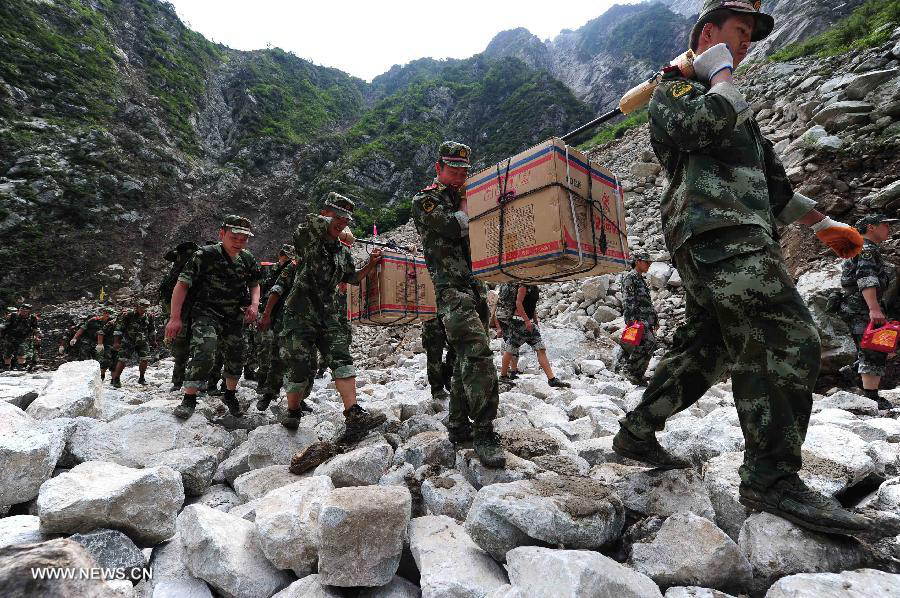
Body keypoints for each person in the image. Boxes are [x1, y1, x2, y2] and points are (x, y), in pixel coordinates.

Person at [612, 0, 869, 536]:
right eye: (739, 32)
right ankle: (772, 479)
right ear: (709, 34)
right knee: (786, 335)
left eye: (751, 35)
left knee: (708, 347)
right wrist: (719, 71)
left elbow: (773, 182)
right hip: (715, 232)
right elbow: (701, 127)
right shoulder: (676, 91)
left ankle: (638, 431)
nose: (747, 43)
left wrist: (821, 224)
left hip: (733, 234)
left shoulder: (738, 106)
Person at [411, 141, 505, 467]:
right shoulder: (425, 200)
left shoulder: (465, 197)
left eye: (464, 171)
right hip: (451, 289)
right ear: (438, 168)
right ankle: (484, 429)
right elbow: (453, 226)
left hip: (475, 286)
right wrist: (468, 202)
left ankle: (457, 423)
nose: (459, 176)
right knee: (477, 351)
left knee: (463, 356)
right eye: (453, 170)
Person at [277, 193, 384, 439]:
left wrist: (371, 263)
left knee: (341, 357)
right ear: (325, 214)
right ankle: (293, 410)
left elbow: (352, 278)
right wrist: (331, 225)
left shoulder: (341, 251)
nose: (342, 223)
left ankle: (354, 413)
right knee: (300, 366)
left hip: (330, 313)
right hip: (300, 313)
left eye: (346, 219)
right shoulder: (307, 238)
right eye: (337, 217)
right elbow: (309, 224)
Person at [166, 215, 261, 419]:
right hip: (206, 312)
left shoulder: (247, 259)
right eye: (234, 237)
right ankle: (189, 398)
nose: (238, 243)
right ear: (222, 234)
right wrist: (175, 318)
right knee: (205, 350)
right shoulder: (205, 255)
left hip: (234, 315)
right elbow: (182, 285)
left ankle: (230, 394)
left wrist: (254, 305)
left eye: (243, 239)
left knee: (237, 354)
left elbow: (255, 284)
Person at [840, 213, 898, 411]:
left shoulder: (861, 247)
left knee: (869, 345)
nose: (888, 229)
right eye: (884, 225)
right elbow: (866, 278)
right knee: (874, 348)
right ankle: (871, 398)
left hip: (857, 306)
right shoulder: (866, 249)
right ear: (871, 227)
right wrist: (874, 308)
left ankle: (854, 372)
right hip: (862, 307)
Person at [495, 283, 570, 388]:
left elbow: (532, 306)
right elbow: (518, 303)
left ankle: (552, 379)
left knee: (540, 349)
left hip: (529, 324)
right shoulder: (523, 286)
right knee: (510, 349)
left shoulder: (534, 288)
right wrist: (527, 321)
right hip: (518, 323)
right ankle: (503, 376)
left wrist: (535, 321)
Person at [256, 244, 295, 401]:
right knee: (266, 348)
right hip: (268, 312)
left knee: (283, 353)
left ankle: (277, 388)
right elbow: (262, 290)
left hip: (285, 316)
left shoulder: (293, 269)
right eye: (286, 256)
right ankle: (263, 383)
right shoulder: (269, 271)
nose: (288, 259)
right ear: (281, 255)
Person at [161, 241, 199, 390]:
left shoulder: (187, 269)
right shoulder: (178, 273)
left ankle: (182, 382)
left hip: (190, 313)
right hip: (185, 314)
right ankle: (182, 382)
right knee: (185, 350)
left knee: (188, 350)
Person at [616, 251, 659, 385]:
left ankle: (637, 375)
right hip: (638, 319)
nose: (649, 265)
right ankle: (630, 370)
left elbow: (647, 302)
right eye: (647, 262)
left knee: (646, 344)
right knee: (648, 343)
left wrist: (654, 319)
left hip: (646, 320)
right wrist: (632, 321)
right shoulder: (630, 278)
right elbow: (628, 301)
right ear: (638, 262)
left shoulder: (640, 278)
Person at [110, 299, 153, 387]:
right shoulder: (128, 315)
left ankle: (141, 378)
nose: (144, 310)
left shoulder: (149, 316)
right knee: (122, 359)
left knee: (145, 359)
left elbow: (152, 330)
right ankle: (116, 379)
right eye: (142, 308)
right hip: (128, 340)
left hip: (142, 341)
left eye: (146, 308)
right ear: (137, 307)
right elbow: (118, 329)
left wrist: (154, 341)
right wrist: (116, 342)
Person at [421, 316, 456, 410]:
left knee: (457, 350)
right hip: (432, 320)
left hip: (452, 317)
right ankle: (437, 389)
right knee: (434, 357)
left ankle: (447, 375)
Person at [70, 307, 114, 378]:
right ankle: (83, 375)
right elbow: (82, 329)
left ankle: (101, 375)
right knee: (84, 356)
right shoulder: (93, 320)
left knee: (106, 359)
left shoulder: (111, 322)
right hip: (89, 341)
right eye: (106, 313)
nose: (108, 315)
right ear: (103, 313)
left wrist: (101, 344)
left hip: (103, 342)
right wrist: (74, 338)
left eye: (109, 314)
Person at [1, 303, 40, 370]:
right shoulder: (13, 316)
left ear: (29, 311)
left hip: (23, 337)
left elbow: (35, 328)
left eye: (25, 311)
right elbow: (5, 325)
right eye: (21, 310)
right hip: (10, 336)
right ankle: (6, 366)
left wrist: (37, 337)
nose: (22, 312)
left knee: (21, 351)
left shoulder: (32, 318)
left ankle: (21, 366)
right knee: (7, 352)